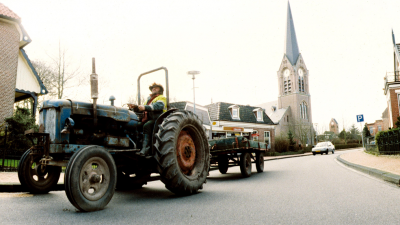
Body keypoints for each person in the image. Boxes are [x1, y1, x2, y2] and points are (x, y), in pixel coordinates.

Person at [135, 82, 167, 158]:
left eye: (156, 87)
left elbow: (158, 106)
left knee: (147, 125)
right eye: (152, 88)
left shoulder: (161, 97)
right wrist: (135, 107)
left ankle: (146, 149)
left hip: (158, 119)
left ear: (160, 90)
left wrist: (145, 107)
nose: (153, 89)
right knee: (136, 125)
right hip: (148, 119)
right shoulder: (148, 100)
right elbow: (143, 108)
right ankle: (135, 147)